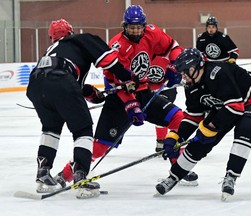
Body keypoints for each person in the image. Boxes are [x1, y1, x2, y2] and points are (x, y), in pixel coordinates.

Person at [55, 5, 198, 187]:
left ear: (144, 25)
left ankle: (178, 167)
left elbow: (172, 47)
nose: (136, 30)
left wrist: (177, 66)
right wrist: (131, 105)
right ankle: (65, 175)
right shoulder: (117, 46)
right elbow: (116, 81)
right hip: (120, 99)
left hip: (144, 93)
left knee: (179, 119)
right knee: (100, 147)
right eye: (131, 27)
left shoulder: (152, 33)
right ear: (124, 26)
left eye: (139, 27)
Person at [26, 18, 137, 199]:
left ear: (52, 37)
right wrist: (127, 76)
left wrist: (90, 93)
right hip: (61, 81)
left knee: (51, 127)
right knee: (83, 129)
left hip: (36, 83)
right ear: (71, 32)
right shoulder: (80, 39)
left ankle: (43, 175)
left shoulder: (52, 50)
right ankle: (81, 177)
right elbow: (108, 60)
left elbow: (67, 80)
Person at [155, 48, 251, 201]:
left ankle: (231, 176)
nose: (183, 77)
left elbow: (235, 108)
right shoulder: (192, 85)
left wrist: (210, 127)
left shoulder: (218, 73)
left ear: (193, 68)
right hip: (226, 104)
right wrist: (177, 135)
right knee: (201, 142)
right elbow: (194, 115)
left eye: (184, 72)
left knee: (245, 128)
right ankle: (174, 177)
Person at [147, 56, 179, 152]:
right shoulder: (145, 53)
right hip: (148, 90)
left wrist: (175, 76)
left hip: (167, 90)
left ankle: (163, 141)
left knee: (162, 113)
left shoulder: (168, 53)